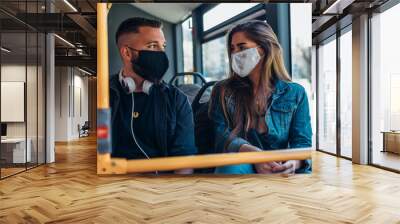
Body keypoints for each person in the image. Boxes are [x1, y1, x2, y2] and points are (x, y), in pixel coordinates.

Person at [209, 20, 312, 175]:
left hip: (280, 167)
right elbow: (221, 136)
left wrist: (294, 163)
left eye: (242, 47)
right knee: (230, 169)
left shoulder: (296, 93)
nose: (235, 53)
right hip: (241, 164)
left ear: (263, 49)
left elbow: (302, 143)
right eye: (232, 49)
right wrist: (255, 155)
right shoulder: (223, 90)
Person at [109, 17, 197, 174]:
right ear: (127, 53)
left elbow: (184, 159)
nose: (162, 53)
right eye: (152, 46)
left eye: (162, 46)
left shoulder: (177, 100)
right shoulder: (103, 95)